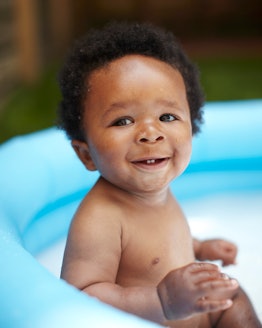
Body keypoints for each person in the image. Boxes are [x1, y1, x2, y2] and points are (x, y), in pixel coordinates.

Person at [58, 22, 261, 327]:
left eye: (167, 116)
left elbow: (158, 245)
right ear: (86, 154)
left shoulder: (156, 190)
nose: (150, 134)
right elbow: (81, 296)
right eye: (123, 120)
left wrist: (200, 247)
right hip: (155, 320)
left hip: (198, 314)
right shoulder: (100, 218)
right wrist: (161, 301)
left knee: (232, 295)